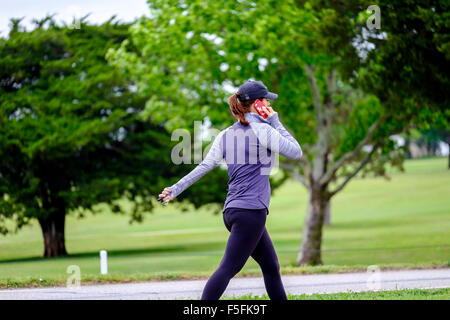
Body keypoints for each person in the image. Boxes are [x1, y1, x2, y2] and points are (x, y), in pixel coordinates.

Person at [158, 80, 302, 300]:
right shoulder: (264, 129)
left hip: (233, 211)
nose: (269, 104)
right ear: (257, 104)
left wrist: (176, 188)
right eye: (265, 100)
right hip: (251, 213)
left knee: (271, 267)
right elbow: (296, 151)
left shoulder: (225, 134)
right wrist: (275, 121)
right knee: (228, 269)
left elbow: (205, 166)